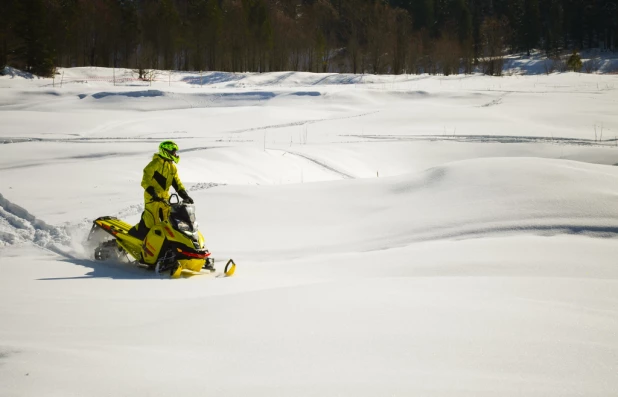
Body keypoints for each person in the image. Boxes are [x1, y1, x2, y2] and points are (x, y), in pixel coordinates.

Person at [128, 140, 193, 239]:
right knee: (151, 223)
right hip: (152, 198)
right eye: (173, 152)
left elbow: (177, 184)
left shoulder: (172, 168)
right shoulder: (154, 164)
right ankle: (135, 235)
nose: (175, 154)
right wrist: (153, 193)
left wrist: (185, 195)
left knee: (168, 224)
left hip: (165, 199)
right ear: (166, 151)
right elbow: (145, 181)